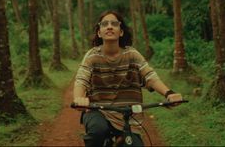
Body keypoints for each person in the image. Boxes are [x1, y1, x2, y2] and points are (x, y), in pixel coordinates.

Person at [73, 10, 183, 147]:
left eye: (114, 23)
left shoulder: (132, 55)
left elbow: (150, 76)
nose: (109, 26)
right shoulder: (92, 56)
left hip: (128, 116)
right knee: (97, 131)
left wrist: (169, 93)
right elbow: (81, 80)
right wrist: (79, 99)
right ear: (99, 33)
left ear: (121, 32)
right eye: (104, 24)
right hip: (98, 110)